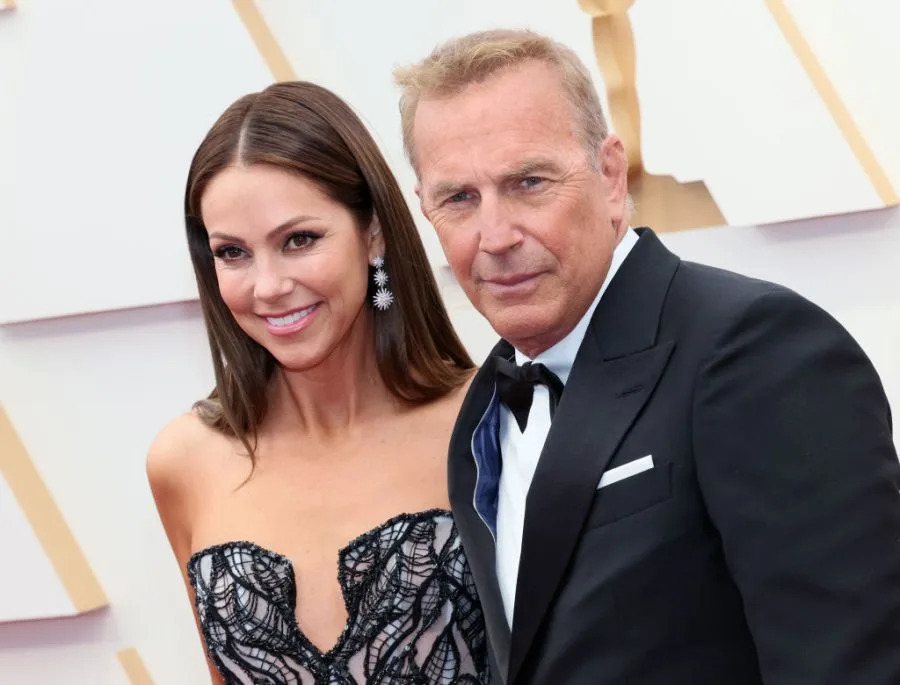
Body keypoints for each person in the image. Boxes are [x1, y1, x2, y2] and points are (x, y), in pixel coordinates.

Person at [395, 29, 900, 684]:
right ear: (425, 210)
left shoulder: (756, 350)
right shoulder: (484, 407)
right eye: (459, 197)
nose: (495, 235)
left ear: (610, 174)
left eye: (529, 181)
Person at [146, 81, 491, 684]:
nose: (268, 285)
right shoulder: (185, 461)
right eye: (233, 253)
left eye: (298, 240)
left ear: (374, 232)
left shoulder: (491, 425)